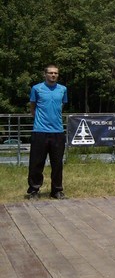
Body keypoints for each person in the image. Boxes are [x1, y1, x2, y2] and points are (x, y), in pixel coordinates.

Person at [27, 64, 68, 200]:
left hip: (58, 131)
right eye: (50, 73)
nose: (53, 75)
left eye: (56, 73)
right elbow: (33, 107)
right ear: (45, 74)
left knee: (57, 164)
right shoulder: (36, 89)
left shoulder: (63, 89)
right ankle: (34, 190)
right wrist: (40, 120)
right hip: (40, 131)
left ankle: (56, 190)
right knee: (36, 163)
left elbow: (61, 105)